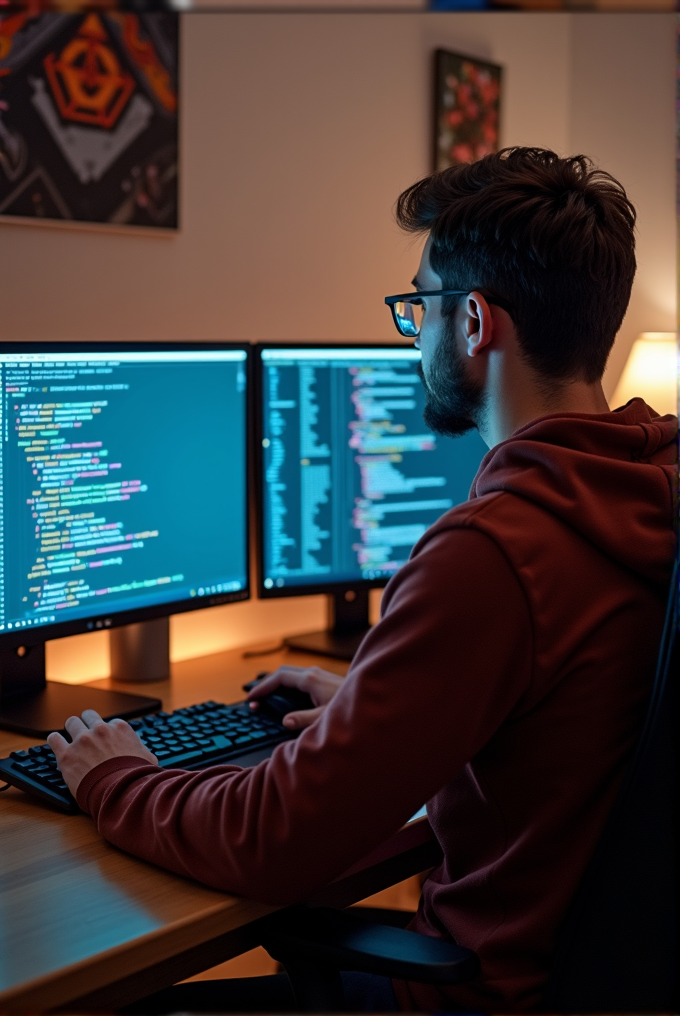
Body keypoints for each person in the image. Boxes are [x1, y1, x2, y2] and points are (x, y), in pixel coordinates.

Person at [47, 148, 677, 1014]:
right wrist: (374, 701)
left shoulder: (493, 552)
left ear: (474, 324)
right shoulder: (650, 492)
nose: (412, 331)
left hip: (478, 996)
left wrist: (114, 777)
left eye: (419, 306)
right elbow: (559, 715)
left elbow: (274, 840)